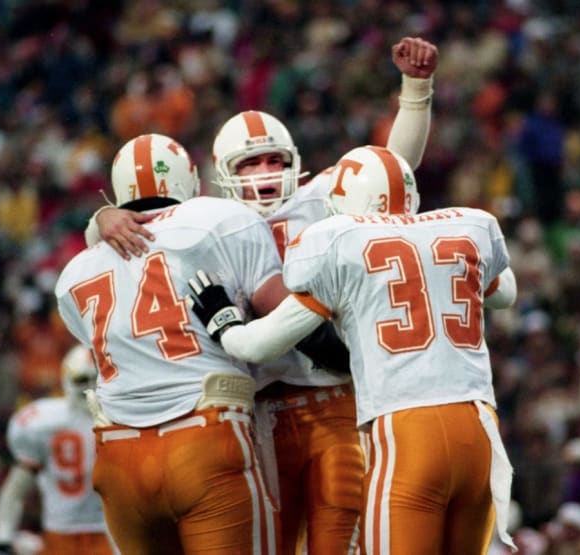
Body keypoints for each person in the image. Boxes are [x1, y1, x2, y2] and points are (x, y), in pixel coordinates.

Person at [84, 37, 439, 554]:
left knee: (340, 539)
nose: (265, 172)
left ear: (295, 160)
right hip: (257, 414)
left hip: (334, 397)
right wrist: (103, 217)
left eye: (274, 159)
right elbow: (130, 234)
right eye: (249, 163)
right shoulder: (205, 219)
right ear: (221, 173)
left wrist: (416, 90)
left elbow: (395, 165)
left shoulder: (323, 198)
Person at [188, 145, 519, 554]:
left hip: (407, 432)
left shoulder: (338, 241)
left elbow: (258, 345)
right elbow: (505, 293)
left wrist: (223, 321)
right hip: (480, 427)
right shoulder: (468, 227)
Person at [55, 132, 345, 554]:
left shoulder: (74, 274)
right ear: (190, 178)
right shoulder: (221, 218)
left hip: (117, 459)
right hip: (204, 437)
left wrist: (99, 220)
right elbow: (287, 316)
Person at [0, 344, 116, 555]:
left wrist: (3, 540)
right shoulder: (45, 422)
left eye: (95, 379)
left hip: (111, 533)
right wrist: (3, 541)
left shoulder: (121, 417)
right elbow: (15, 489)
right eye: (81, 380)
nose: (90, 388)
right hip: (60, 536)